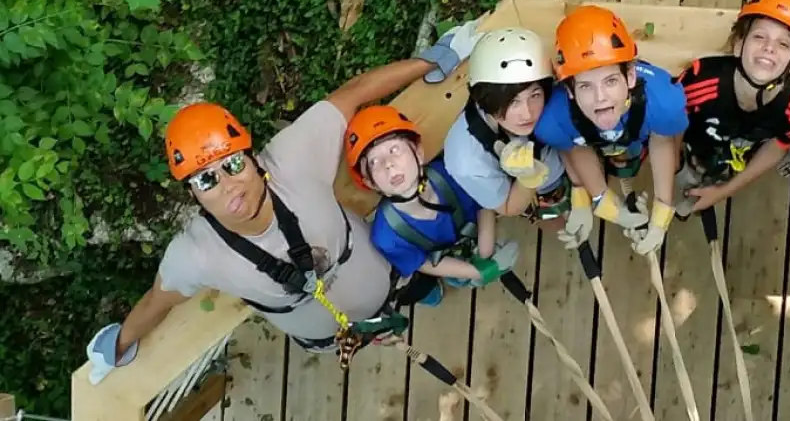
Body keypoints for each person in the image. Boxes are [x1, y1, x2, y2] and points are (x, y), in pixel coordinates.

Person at [85, 20, 482, 382]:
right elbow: (157, 301)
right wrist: (119, 346)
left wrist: (433, 62)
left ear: (253, 158)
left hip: (389, 272)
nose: (229, 186)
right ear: (192, 193)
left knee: (412, 290)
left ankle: (422, 292)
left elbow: (352, 95)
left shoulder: (292, 159)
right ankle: (405, 306)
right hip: (337, 334)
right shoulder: (197, 254)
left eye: (233, 164)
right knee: (381, 317)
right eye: (206, 179)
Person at [534, 5, 689, 255]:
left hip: (640, 143)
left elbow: (664, 142)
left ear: (630, 76)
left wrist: (663, 209)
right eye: (585, 86)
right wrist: (593, 197)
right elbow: (573, 145)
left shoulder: (662, 101)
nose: (600, 98)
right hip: (597, 147)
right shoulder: (554, 119)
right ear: (570, 91)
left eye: (610, 81)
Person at [672, 0, 790, 215]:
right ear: (739, 45)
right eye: (760, 36)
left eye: (783, 43)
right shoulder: (699, 81)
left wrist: (725, 191)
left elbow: (780, 144)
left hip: (746, 145)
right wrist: (676, 167)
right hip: (698, 139)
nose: (769, 48)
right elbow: (673, 125)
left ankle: (722, 168)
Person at [346, 105, 519, 298]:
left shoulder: (451, 173)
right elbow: (421, 263)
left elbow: (483, 202)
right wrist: (477, 272)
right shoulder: (387, 236)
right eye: (374, 162)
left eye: (394, 149)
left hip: (483, 234)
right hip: (448, 260)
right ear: (370, 182)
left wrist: (485, 254)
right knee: (456, 277)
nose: (388, 164)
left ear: (418, 153)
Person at [443, 27, 570, 224]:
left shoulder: (555, 94)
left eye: (535, 95)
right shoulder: (467, 160)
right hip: (535, 191)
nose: (527, 114)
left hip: (568, 162)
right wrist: (528, 178)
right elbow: (509, 206)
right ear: (485, 98)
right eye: (512, 101)